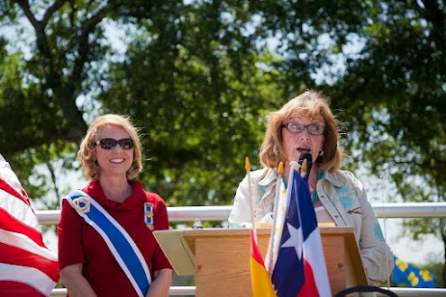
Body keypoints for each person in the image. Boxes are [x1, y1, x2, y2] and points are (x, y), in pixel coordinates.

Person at [228, 90, 393, 285]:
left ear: (324, 141)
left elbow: (383, 258)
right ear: (280, 135)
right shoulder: (253, 186)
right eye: (295, 126)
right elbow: (232, 253)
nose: (305, 136)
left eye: (314, 128)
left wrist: (334, 272)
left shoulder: (349, 187)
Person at [58, 114, 172, 297]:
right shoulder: (76, 207)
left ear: (134, 151)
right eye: (107, 144)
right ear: (93, 151)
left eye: (126, 143)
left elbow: (164, 272)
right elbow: (70, 273)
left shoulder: (155, 206)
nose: (118, 150)